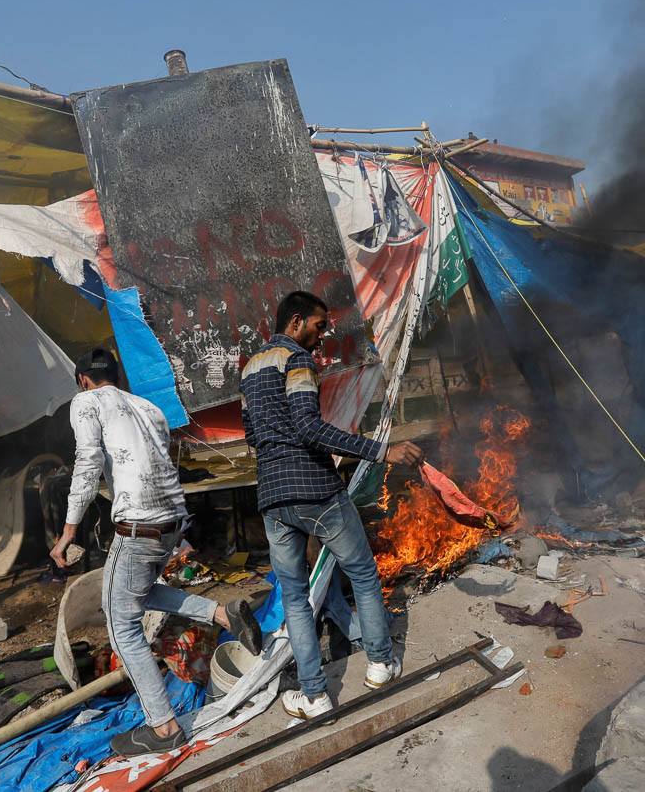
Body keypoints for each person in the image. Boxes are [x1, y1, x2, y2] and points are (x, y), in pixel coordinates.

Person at [50, 349, 263, 758]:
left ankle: (164, 727)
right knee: (139, 594)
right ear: (116, 376)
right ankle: (222, 614)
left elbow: (88, 462)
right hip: (171, 523)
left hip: (138, 526)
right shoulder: (149, 408)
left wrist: (68, 532)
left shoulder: (86, 401)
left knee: (121, 625)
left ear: (82, 380)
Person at [240, 291, 424, 720]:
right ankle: (380, 664)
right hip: (316, 489)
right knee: (362, 573)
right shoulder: (298, 360)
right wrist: (381, 451)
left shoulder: (248, 370)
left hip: (272, 497)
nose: (322, 336)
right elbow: (309, 428)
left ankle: (314, 696)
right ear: (296, 321)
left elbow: (252, 435)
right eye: (319, 326)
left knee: (295, 598)